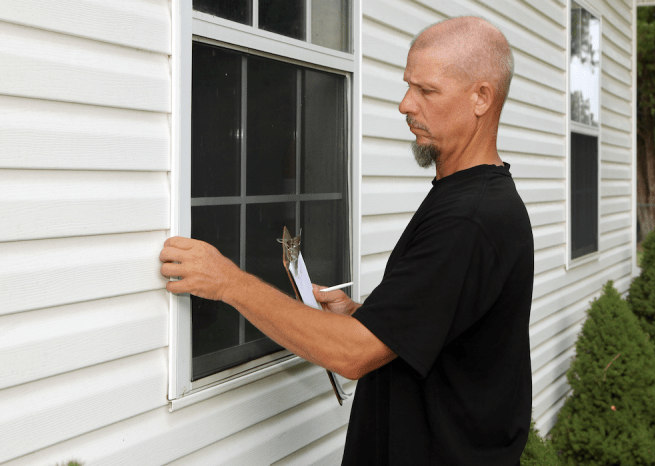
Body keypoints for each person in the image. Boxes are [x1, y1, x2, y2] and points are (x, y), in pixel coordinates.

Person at [160, 16, 534, 465]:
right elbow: (444, 326)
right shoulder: (466, 199)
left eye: (427, 91)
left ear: (481, 97)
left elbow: (352, 354)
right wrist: (362, 315)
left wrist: (227, 282)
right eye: (407, 85)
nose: (404, 105)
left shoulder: (471, 219)